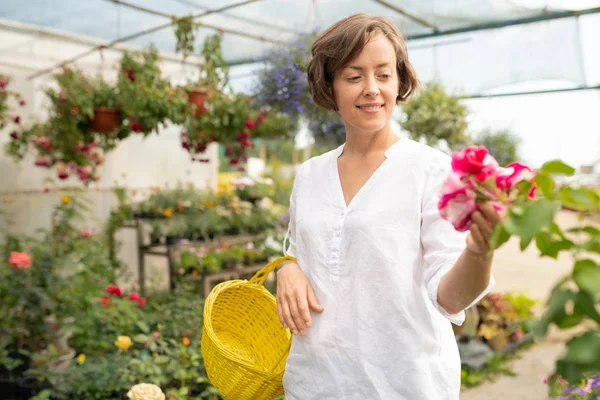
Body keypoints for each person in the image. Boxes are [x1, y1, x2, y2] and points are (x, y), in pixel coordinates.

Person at [275, 13, 501, 400]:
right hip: (315, 380)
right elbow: (301, 250)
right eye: (353, 76)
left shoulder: (431, 169)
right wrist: (287, 267)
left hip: (403, 382)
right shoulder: (309, 174)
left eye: (383, 74)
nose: (371, 89)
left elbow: (450, 297)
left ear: (399, 82)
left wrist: (479, 251)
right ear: (330, 86)